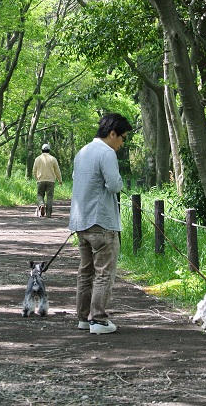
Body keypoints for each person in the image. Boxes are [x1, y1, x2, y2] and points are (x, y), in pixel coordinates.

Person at [69, 113, 132, 335]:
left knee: (85, 272)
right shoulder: (107, 153)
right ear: (112, 133)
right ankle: (99, 320)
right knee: (104, 271)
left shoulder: (82, 151)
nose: (122, 143)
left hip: (81, 221)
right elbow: (114, 185)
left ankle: (83, 318)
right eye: (122, 137)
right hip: (102, 222)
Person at [32, 143, 62, 218]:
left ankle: (41, 204)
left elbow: (34, 171)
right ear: (49, 150)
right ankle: (48, 213)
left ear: (41, 150)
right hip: (50, 181)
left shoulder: (37, 159)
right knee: (50, 196)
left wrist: (36, 178)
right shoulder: (53, 159)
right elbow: (57, 171)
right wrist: (60, 180)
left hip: (40, 180)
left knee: (40, 195)